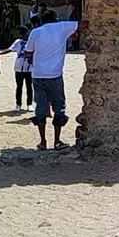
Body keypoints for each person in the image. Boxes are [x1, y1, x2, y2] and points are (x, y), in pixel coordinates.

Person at [25, 9, 81, 151]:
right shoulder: (62, 27)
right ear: (55, 19)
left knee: (41, 107)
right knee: (59, 107)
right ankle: (57, 141)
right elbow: (84, 24)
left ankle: (43, 141)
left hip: (37, 75)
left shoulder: (35, 32)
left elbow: (28, 52)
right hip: (54, 75)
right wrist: (70, 33)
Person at [3, 25, 33, 113]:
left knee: (29, 86)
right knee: (19, 86)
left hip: (29, 68)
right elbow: (10, 49)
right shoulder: (17, 42)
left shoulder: (31, 42)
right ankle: (18, 104)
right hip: (19, 68)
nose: (19, 36)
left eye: (20, 34)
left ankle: (29, 104)